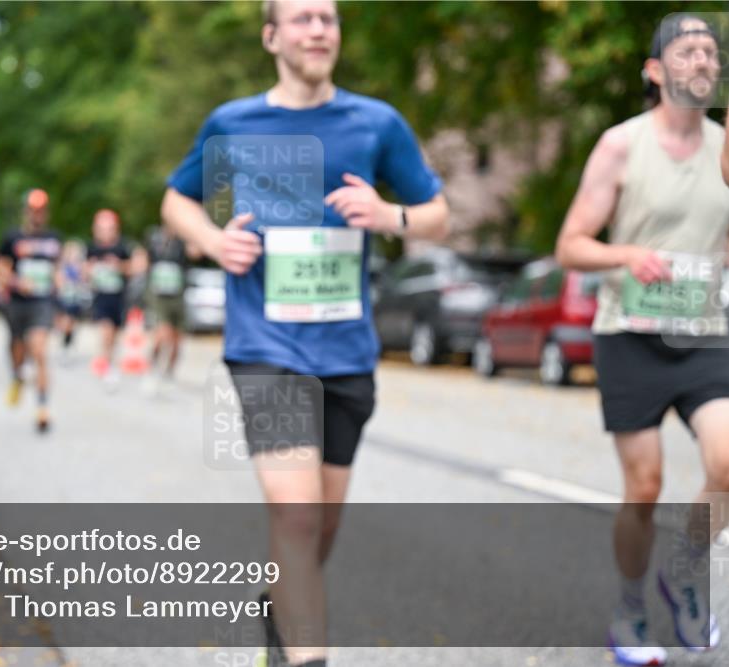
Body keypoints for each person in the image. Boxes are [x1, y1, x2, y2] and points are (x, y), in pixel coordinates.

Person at [161, 2, 448, 665]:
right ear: (271, 37)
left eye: (329, 18)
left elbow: (439, 215)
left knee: (319, 524)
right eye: (302, 19)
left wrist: (389, 215)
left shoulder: (376, 123)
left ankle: (278, 610)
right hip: (265, 346)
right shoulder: (231, 124)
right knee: (294, 513)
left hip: (346, 351)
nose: (319, 29)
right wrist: (211, 238)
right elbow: (176, 198)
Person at [555, 14, 729, 666]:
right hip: (630, 334)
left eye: (711, 53)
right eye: (687, 51)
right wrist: (629, 256)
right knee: (646, 484)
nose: (702, 63)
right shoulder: (622, 145)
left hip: (707, 334)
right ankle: (631, 606)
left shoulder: (725, 149)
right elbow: (570, 243)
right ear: (655, 71)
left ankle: (684, 571)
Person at [0, 188, 63, 433]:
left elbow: (58, 268)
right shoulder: (12, 237)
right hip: (17, 303)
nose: (38, 215)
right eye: (34, 210)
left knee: (40, 351)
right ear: (26, 211)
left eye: (42, 210)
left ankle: (43, 408)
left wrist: (59, 281)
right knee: (18, 351)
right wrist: (16, 281)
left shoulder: (54, 238)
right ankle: (17, 375)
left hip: (42, 303)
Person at [141, 225, 197, 395]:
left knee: (177, 340)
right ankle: (152, 369)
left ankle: (168, 374)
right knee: (162, 333)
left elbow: (196, 253)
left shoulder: (183, 240)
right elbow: (144, 261)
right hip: (158, 295)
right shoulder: (153, 238)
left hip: (177, 295)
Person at [85, 209, 132, 389]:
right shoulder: (92, 248)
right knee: (106, 330)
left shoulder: (122, 247)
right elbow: (85, 269)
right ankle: (105, 363)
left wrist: (119, 266)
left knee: (115, 333)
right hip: (100, 296)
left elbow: (134, 267)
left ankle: (109, 361)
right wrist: (90, 270)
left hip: (118, 297)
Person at [55, 240, 86, 363]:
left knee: (72, 323)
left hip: (75, 298)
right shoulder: (63, 266)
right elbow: (58, 281)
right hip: (64, 297)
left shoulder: (79, 267)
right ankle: (65, 342)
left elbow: (84, 279)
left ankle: (67, 343)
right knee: (65, 322)